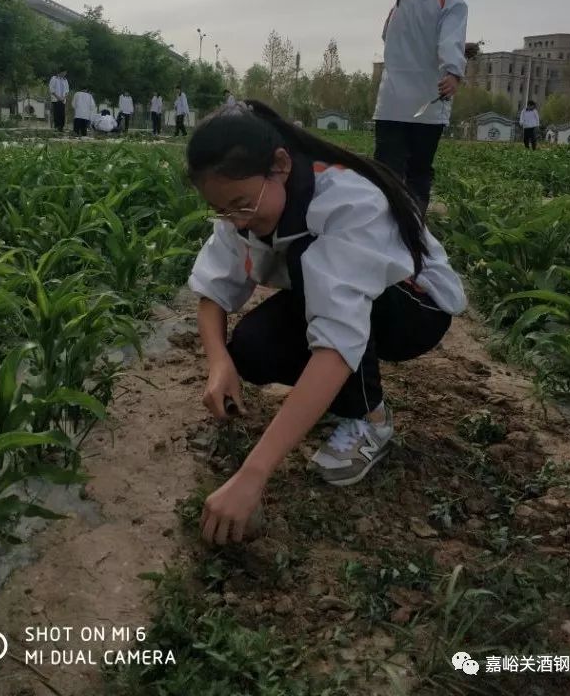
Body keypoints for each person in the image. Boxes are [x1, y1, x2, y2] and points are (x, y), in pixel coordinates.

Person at [187, 100, 467, 545]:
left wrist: (252, 474)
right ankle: (330, 402)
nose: (236, 220)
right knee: (251, 348)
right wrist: (218, 362)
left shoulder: (345, 201)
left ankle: (369, 419)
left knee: (308, 265)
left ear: (280, 165)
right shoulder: (242, 206)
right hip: (339, 299)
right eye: (223, 210)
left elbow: (336, 340)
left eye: (242, 205)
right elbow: (213, 290)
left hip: (414, 306)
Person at [373, 0, 476, 216]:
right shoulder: (451, 3)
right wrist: (454, 73)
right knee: (418, 172)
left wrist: (458, 49)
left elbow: (391, 38)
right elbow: (448, 42)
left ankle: (377, 228)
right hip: (427, 105)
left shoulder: (401, 2)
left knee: (385, 174)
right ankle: (413, 229)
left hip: (391, 105)